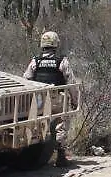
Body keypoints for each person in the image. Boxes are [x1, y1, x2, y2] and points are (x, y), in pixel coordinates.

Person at [23, 30, 77, 166]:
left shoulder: (35, 61)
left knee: (36, 125)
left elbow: (26, 79)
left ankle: (31, 155)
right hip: (58, 97)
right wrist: (75, 101)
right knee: (61, 125)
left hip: (39, 99)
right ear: (55, 45)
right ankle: (60, 157)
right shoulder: (61, 61)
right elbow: (71, 82)